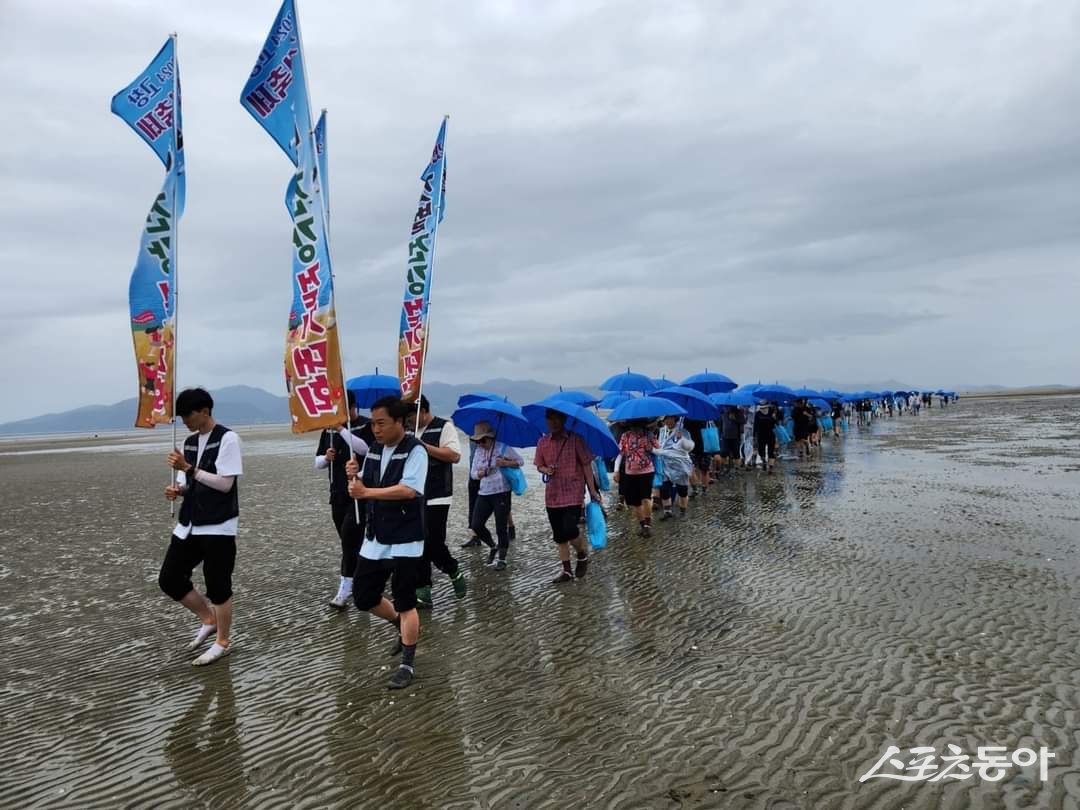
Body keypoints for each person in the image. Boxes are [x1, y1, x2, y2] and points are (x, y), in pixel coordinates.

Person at [344, 396, 428, 690]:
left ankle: (407, 663)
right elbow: (365, 482)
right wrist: (354, 478)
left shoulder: (416, 450)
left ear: (399, 422)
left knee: (405, 601)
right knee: (363, 595)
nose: (376, 430)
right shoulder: (376, 449)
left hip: (406, 537)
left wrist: (366, 493)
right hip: (376, 534)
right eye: (373, 423)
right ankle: (397, 625)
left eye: (381, 423)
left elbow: (408, 490)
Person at [160, 388, 243, 667]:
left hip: (219, 524)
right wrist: (179, 490)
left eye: (188, 415)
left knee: (218, 585)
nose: (184, 420)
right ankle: (207, 619)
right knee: (170, 578)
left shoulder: (227, 438)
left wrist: (189, 469)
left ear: (204, 411)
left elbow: (225, 484)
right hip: (190, 522)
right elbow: (194, 483)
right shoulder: (190, 441)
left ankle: (223, 641)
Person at [405, 395, 466, 607]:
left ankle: (453, 569)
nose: (409, 422)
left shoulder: (443, 427)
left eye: (411, 417)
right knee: (417, 543)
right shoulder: (408, 431)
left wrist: (422, 446)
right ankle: (424, 592)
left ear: (423, 412)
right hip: (414, 495)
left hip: (438, 493)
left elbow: (454, 455)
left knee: (433, 542)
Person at [314, 392, 372, 608]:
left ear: (355, 407)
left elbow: (365, 448)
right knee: (348, 540)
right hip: (336, 492)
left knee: (349, 538)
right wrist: (326, 458)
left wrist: (341, 428)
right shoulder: (327, 431)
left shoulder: (365, 425)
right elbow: (317, 462)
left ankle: (345, 589)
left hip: (359, 493)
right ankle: (362, 576)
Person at [534, 408, 601, 584]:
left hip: (573, 492)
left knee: (570, 530)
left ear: (563, 420)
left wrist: (592, 491)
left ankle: (581, 553)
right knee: (559, 535)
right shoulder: (542, 442)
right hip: (552, 495)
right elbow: (538, 464)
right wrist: (546, 469)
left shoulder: (576, 439)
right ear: (546, 421)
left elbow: (586, 465)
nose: (554, 422)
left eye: (558, 419)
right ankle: (566, 571)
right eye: (551, 419)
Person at [468, 420, 524, 570]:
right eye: (477, 441)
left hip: (501, 491)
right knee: (476, 524)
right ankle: (493, 546)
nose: (480, 443)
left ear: (490, 437)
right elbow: (473, 474)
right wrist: (480, 473)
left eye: (483, 440)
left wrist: (505, 463)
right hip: (484, 491)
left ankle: (502, 558)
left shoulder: (502, 447)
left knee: (501, 526)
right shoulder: (479, 451)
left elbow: (520, 461)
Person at [613, 419, 658, 536]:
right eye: (632, 425)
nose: (634, 428)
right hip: (630, 472)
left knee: (646, 497)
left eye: (636, 425)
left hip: (647, 471)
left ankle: (648, 524)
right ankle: (643, 525)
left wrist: (652, 449)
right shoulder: (625, 436)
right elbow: (620, 453)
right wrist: (616, 470)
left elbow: (659, 450)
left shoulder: (649, 435)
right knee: (635, 501)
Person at [656, 415, 695, 518]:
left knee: (682, 490)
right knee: (664, 489)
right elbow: (659, 445)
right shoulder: (661, 431)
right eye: (665, 419)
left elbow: (689, 447)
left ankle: (683, 511)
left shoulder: (684, 432)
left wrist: (682, 440)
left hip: (679, 465)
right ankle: (667, 512)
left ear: (675, 419)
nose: (668, 421)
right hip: (664, 464)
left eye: (670, 418)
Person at [753, 403, 778, 474]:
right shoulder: (771, 413)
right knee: (771, 452)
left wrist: (754, 436)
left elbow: (755, 425)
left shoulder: (758, 414)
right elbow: (775, 423)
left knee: (761, 450)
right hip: (770, 434)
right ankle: (770, 468)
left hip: (761, 435)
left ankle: (764, 460)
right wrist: (773, 418)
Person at [719, 406, 744, 473]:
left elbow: (743, 421)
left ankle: (737, 468)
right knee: (724, 452)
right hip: (725, 436)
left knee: (736, 453)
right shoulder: (723, 412)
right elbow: (721, 424)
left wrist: (735, 419)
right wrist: (720, 434)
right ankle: (726, 466)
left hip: (735, 436)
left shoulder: (739, 412)